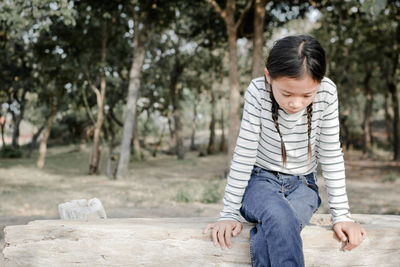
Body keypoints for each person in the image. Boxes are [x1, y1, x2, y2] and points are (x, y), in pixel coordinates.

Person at [203, 34, 367, 267]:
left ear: (318, 84)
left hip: (304, 186)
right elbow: (245, 153)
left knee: (271, 232)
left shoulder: (328, 93)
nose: (296, 103)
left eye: (307, 95)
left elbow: (331, 156)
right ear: (269, 77)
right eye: (287, 94)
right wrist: (228, 213)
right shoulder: (257, 91)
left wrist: (342, 216)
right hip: (260, 183)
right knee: (279, 216)